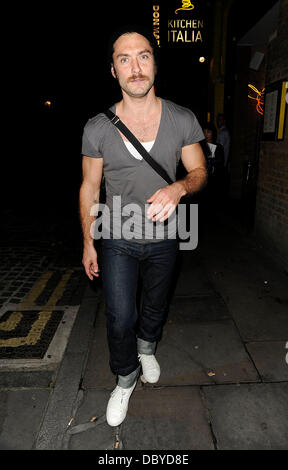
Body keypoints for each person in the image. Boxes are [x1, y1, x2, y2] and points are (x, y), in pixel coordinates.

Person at [79, 26, 207, 427]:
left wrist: (179, 188)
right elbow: (90, 187)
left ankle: (147, 348)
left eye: (143, 56)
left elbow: (200, 170)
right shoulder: (98, 128)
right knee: (119, 315)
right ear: (113, 71)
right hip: (117, 235)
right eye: (124, 59)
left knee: (155, 304)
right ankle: (125, 374)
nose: (135, 67)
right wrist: (88, 242)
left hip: (167, 235)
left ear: (154, 63)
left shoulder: (181, 119)